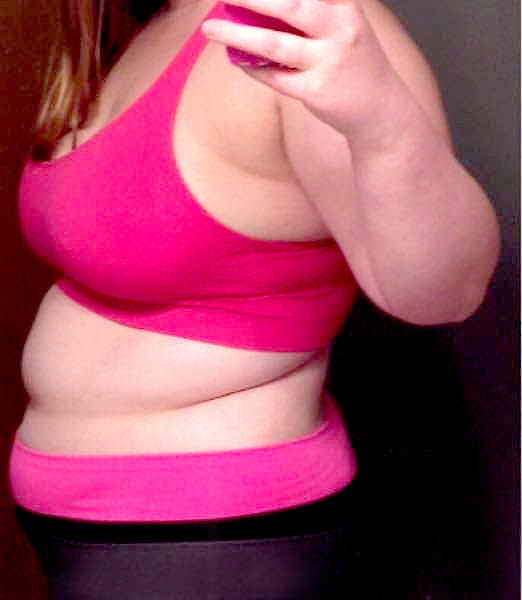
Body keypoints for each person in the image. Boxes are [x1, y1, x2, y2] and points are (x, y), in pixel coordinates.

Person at [9, 0, 500, 597]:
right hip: (94, 530)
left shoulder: (300, 21)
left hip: (214, 532)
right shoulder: (148, 23)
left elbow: (445, 291)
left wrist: (384, 122)